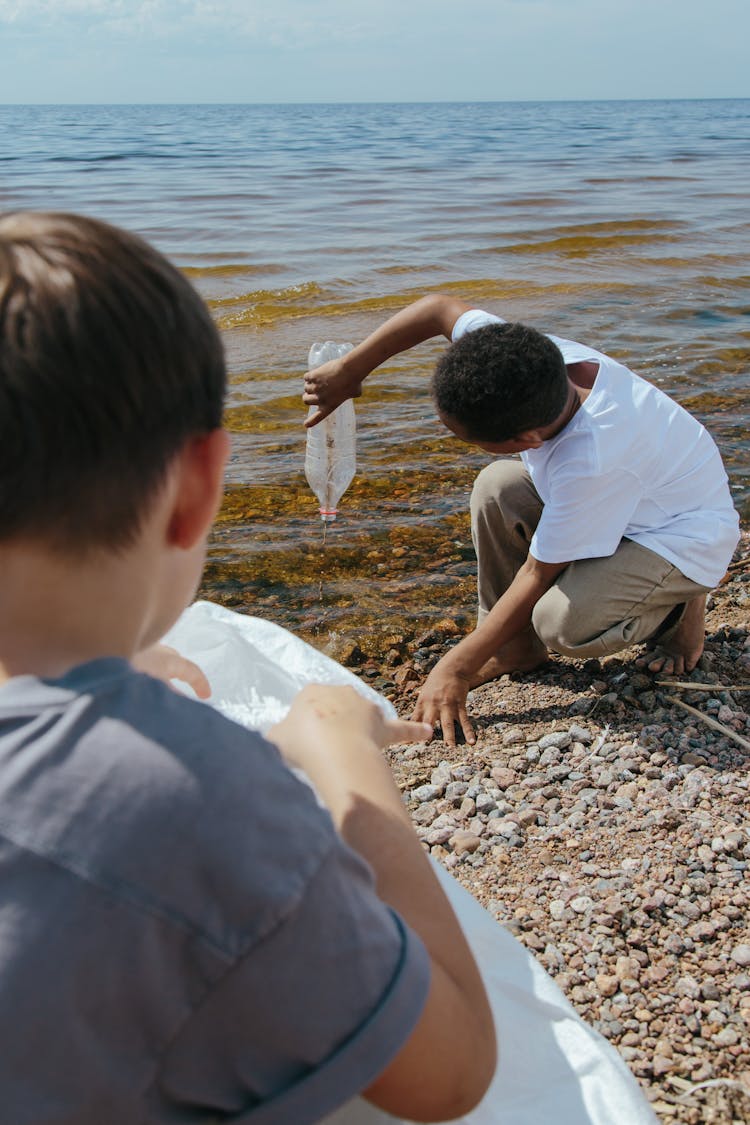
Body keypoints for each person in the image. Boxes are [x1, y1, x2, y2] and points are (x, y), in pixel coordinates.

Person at [0, 214, 495, 1123]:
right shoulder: (199, 796)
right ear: (198, 490)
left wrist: (108, 658)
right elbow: (451, 1071)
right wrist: (347, 756)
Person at [303, 294, 740, 748]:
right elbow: (436, 310)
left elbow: (537, 573)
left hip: (678, 535)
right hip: (633, 501)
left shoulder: (592, 459)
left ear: (527, 437)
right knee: (498, 488)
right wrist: (351, 370)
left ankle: (684, 606)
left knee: (563, 624)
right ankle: (517, 650)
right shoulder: (527, 362)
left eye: (467, 438)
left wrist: (455, 666)